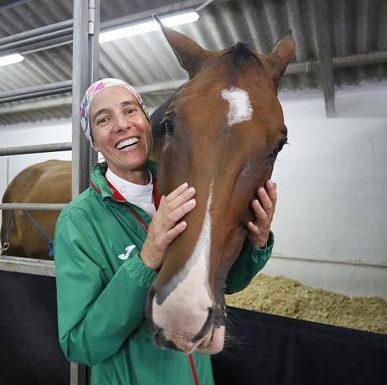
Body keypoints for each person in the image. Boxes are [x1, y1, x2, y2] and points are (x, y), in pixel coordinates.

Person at [54, 78, 277, 385]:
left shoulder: (185, 189)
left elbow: (226, 282)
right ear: (94, 141)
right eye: (103, 120)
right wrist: (146, 259)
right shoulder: (79, 221)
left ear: (147, 121)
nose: (122, 125)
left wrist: (258, 242)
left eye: (130, 110)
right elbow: (80, 345)